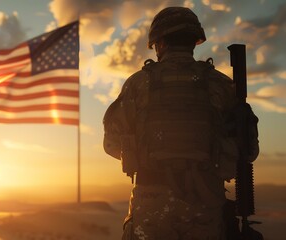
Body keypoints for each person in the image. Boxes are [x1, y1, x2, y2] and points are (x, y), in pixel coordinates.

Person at [103, 7, 259, 240]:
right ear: (194, 41)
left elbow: (112, 143)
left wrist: (149, 154)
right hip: (205, 207)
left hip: (152, 210)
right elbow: (249, 150)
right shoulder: (220, 84)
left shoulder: (139, 83)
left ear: (160, 43)